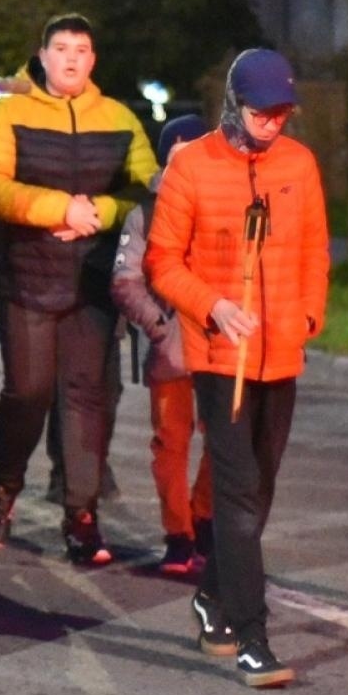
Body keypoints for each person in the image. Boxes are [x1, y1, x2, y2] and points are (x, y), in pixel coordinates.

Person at [145, 48, 329, 688]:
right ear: (234, 106)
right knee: (238, 492)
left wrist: (308, 317)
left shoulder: (299, 165)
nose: (273, 123)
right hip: (220, 356)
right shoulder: (191, 166)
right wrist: (213, 306)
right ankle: (254, 635)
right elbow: (162, 261)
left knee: (262, 486)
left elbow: (313, 248)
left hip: (281, 355)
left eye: (281, 113)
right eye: (261, 112)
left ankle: (212, 595)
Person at [0, 13, 157, 563]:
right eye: (61, 48)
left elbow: (144, 188)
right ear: (43, 55)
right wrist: (57, 207)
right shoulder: (10, 112)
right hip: (27, 276)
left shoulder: (120, 118)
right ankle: (4, 486)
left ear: (92, 60)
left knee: (86, 396)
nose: (71, 58)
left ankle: (81, 516)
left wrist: (97, 212)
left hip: (93, 280)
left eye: (81, 49)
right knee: (28, 391)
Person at [111, 114, 213, 575]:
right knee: (171, 443)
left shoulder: (223, 204)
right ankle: (177, 534)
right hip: (172, 349)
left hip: (220, 346)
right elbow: (126, 280)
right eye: (179, 154)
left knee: (224, 442)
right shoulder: (145, 214)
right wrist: (158, 324)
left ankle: (205, 521)